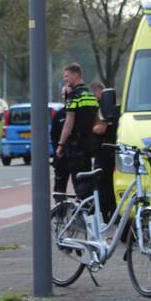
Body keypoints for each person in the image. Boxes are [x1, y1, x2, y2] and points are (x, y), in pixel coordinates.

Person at [54, 63, 99, 200]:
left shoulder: (74, 96)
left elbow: (69, 122)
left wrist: (61, 144)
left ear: (76, 75)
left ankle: (82, 214)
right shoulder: (91, 95)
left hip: (75, 146)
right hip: (88, 146)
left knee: (79, 184)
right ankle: (91, 213)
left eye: (67, 76)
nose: (65, 80)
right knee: (88, 181)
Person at [89, 81, 117, 220]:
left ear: (98, 92)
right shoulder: (110, 107)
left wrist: (89, 127)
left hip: (104, 151)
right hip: (109, 150)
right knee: (108, 183)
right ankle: (111, 212)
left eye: (93, 94)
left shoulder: (103, 108)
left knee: (103, 183)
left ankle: (105, 214)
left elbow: (101, 128)